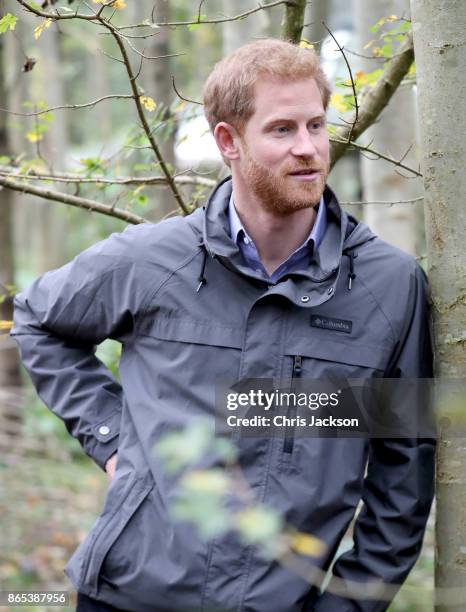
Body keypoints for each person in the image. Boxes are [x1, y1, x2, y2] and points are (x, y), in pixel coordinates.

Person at [12, 39, 435, 612]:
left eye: (316, 124)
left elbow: (402, 474)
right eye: (282, 129)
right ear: (229, 142)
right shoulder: (154, 259)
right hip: (126, 595)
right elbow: (38, 318)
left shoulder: (386, 285)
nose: (309, 148)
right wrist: (113, 440)